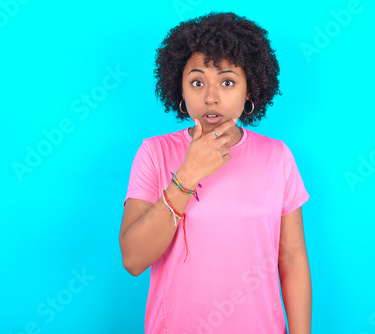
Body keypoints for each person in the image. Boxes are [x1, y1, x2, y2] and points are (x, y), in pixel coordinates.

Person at [119, 12, 311, 333]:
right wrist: (187, 174)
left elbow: (291, 259)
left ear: (249, 89)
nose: (211, 97)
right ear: (179, 88)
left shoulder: (277, 157)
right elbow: (134, 260)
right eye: (197, 82)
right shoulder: (154, 153)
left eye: (227, 82)